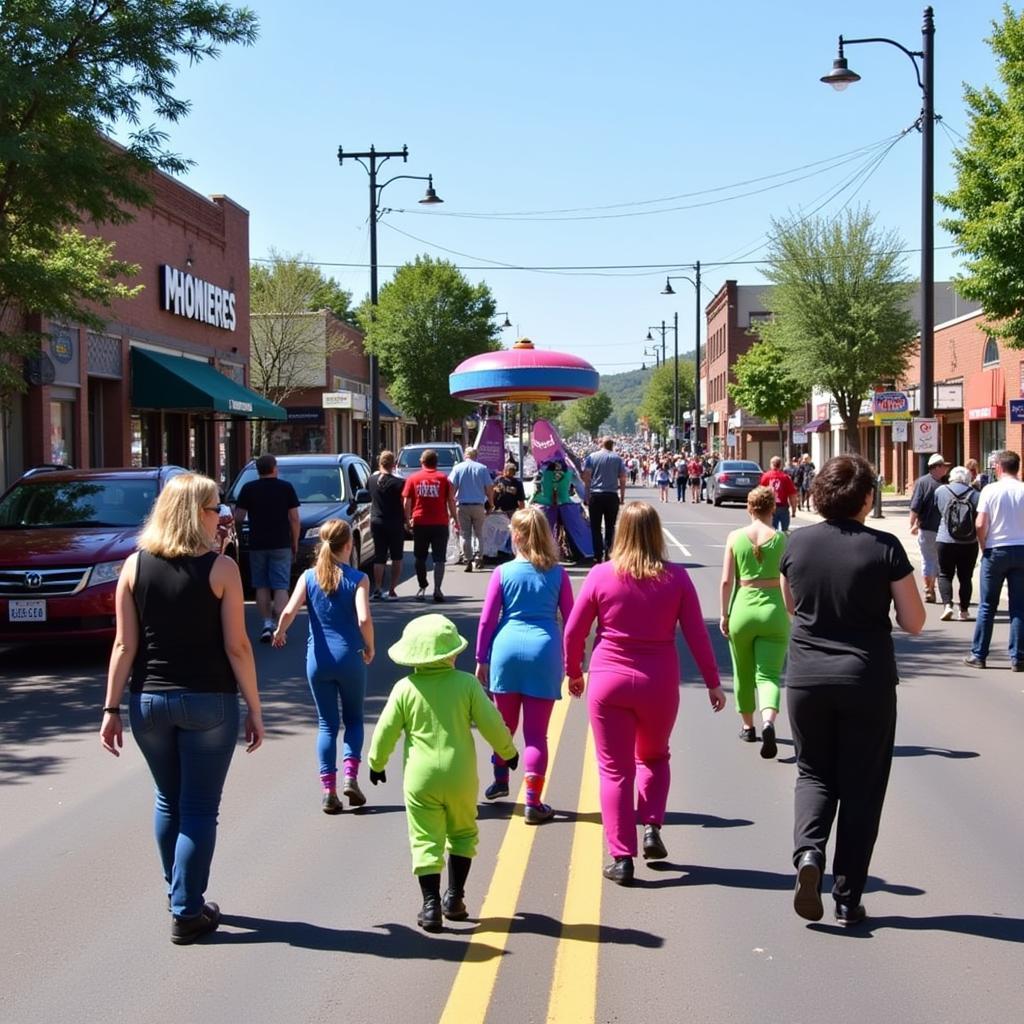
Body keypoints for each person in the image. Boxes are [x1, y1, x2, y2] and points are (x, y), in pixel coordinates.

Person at [100, 473, 265, 944]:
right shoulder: (222, 570)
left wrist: (111, 710)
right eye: (216, 509)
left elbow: (122, 646)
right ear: (195, 513)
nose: (223, 517)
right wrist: (255, 708)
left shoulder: (132, 567)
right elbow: (237, 646)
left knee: (168, 801)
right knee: (197, 809)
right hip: (208, 702)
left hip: (148, 702)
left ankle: (178, 893)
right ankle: (187, 911)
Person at [780, 454, 924, 927]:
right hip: (866, 679)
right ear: (866, 498)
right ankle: (847, 897)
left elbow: (792, 606)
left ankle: (808, 855)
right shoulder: (884, 548)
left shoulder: (795, 544)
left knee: (813, 774)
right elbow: (915, 621)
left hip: (806, 677)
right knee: (862, 788)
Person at [564, 502, 726, 885]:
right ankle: (651, 825)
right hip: (659, 682)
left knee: (614, 770)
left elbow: (573, 632)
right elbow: (696, 635)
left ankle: (622, 857)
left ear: (620, 532)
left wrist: (573, 672)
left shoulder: (602, 575)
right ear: (657, 534)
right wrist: (712, 681)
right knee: (654, 757)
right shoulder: (676, 578)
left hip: (609, 680)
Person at [367, 614, 518, 932]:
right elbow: (492, 722)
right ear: (451, 653)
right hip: (460, 774)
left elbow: (385, 732)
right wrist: (508, 752)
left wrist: (376, 763)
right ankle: (455, 898)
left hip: (420, 778)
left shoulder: (405, 688)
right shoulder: (466, 684)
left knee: (425, 838)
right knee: (463, 832)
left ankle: (430, 905)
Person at [475, 507, 575, 823]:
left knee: (502, 726)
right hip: (543, 652)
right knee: (536, 735)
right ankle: (532, 802)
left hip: (506, 651)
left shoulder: (502, 573)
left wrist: (481, 657)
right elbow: (571, 622)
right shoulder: (558, 574)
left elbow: (487, 620)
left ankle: (501, 779)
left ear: (515, 537)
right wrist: (574, 664)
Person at [273, 519, 374, 813]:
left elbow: (290, 609)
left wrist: (280, 632)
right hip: (349, 658)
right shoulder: (358, 579)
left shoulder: (308, 577)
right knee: (354, 719)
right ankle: (350, 777)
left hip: (317, 660)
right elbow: (364, 619)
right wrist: (370, 647)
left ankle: (328, 789)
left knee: (327, 724)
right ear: (349, 545)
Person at [719, 486, 789, 759]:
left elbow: (727, 581)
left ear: (749, 508)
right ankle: (768, 721)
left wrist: (724, 614)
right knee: (769, 674)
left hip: (743, 609)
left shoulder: (735, 538)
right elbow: (789, 580)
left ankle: (748, 727)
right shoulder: (783, 539)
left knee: (743, 671)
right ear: (773, 508)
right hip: (773, 610)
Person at [964, 449, 1024, 670]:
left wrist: (983, 544)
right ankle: (1018, 657)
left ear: (999, 467)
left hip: (996, 550)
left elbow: (980, 523)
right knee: (1019, 607)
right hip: (1021, 548)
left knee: (987, 606)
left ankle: (979, 655)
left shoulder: (990, 490)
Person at [233, 453, 300, 643]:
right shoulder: (285, 488)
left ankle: (266, 623)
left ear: (258, 470)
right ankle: (281, 627)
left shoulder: (249, 489)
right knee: (280, 585)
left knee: (261, 584)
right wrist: (294, 541)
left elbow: (238, 517)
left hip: (257, 543)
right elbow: (294, 518)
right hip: (280, 543)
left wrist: (238, 535)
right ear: (275, 468)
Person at [402, 448, 458, 603]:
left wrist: (407, 520)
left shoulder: (413, 479)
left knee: (419, 556)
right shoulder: (443, 479)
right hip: (440, 523)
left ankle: (422, 585)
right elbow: (451, 501)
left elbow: (407, 501)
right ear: (436, 462)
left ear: (422, 462)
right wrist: (455, 519)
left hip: (420, 522)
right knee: (439, 558)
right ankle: (437, 589)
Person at [933, 465, 980, 623]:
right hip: (969, 541)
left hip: (945, 539)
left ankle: (947, 605)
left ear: (951, 477)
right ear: (968, 478)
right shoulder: (976, 495)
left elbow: (939, 510)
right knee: (966, 577)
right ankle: (964, 611)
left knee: (945, 574)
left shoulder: (941, 491)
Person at [908, 452, 949, 603]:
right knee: (937, 561)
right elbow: (916, 506)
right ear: (936, 467)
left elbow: (915, 506)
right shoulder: (945, 485)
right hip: (939, 530)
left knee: (929, 560)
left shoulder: (922, 482)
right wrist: (912, 523)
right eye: (943, 466)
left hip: (929, 529)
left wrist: (912, 524)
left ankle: (929, 588)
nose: (945, 469)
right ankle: (931, 588)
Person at [449, 446, 495, 572]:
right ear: (476, 456)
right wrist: (491, 503)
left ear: (465, 455)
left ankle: (468, 559)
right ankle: (479, 557)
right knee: (479, 533)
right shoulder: (482, 468)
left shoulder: (457, 468)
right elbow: (489, 488)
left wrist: (451, 503)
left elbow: (452, 487)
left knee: (465, 534)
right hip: (478, 505)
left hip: (463, 505)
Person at [368, 450, 405, 600]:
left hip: (377, 521)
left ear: (379, 463)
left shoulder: (371, 480)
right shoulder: (400, 483)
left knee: (379, 556)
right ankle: (392, 590)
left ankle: (377, 588)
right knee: (397, 556)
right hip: (395, 522)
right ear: (394, 464)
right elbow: (404, 503)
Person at [582, 437, 626, 563]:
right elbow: (622, 478)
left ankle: (597, 554)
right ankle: (608, 553)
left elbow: (587, 477)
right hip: (612, 495)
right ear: (612, 445)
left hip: (596, 495)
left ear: (601, 444)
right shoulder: (617, 459)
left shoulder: (592, 457)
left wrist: (586, 495)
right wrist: (622, 497)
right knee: (610, 527)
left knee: (595, 527)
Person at [759, 455, 798, 533]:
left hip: (770, 507)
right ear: (780, 465)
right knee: (785, 531)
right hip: (783, 507)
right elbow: (792, 495)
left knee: (771, 532)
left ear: (771, 464)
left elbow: (760, 492)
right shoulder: (785, 478)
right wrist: (794, 510)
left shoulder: (766, 476)